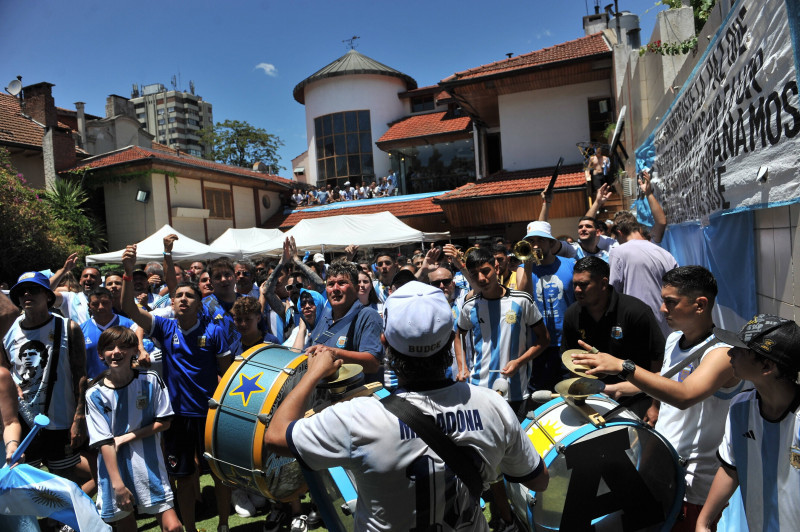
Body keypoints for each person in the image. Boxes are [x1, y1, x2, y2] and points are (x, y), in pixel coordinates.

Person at [264, 281, 549, 531]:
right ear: (451, 340)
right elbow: (538, 481)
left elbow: (276, 436)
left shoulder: (358, 417)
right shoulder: (493, 405)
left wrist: (312, 374)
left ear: (385, 342)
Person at [572, 266, 744, 532]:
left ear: (700, 305)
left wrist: (623, 366)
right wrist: (610, 388)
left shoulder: (722, 353)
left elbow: (685, 395)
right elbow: (665, 382)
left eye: (670, 302)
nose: (663, 309)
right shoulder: (675, 339)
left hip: (693, 484)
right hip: (661, 468)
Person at [120, 244, 233, 532]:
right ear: (172, 302)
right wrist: (127, 273)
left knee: (220, 475)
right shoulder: (166, 328)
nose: (183, 299)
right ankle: (191, 530)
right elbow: (130, 309)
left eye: (189, 295)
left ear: (199, 302)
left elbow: (227, 375)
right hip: (178, 416)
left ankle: (222, 524)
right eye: (178, 295)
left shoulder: (214, 332)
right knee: (185, 475)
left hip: (209, 415)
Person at [696, 315, 800, 532]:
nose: (729, 353)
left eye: (740, 349)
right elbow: (730, 468)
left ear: (766, 366)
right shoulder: (740, 407)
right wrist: (703, 522)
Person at [85, 326, 181, 532]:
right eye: (109, 348)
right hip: (114, 469)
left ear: (133, 351)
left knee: (173, 527)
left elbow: (164, 422)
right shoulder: (94, 394)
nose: (116, 352)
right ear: (101, 354)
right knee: (127, 526)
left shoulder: (151, 379)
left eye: (123, 347)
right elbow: (104, 443)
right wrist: (118, 486)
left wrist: (126, 437)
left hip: (149, 463)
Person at [1, 271, 88, 483]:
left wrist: (79, 419)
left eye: (34, 289)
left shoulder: (67, 327)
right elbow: (3, 367)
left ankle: (59, 517)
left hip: (60, 420)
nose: (27, 294)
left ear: (48, 296)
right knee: (25, 482)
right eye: (21, 292)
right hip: (22, 420)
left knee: (65, 479)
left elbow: (81, 375)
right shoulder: (9, 330)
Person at [561, 257, 664, 419]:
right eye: (575, 284)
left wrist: (655, 405)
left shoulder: (636, 312)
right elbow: (571, 362)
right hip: (594, 400)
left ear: (603, 283)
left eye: (584, 284)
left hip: (635, 399)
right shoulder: (572, 314)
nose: (577, 290)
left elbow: (657, 360)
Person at [515, 220, 576, 392]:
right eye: (531, 241)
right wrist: (527, 265)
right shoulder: (523, 268)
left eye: (540, 240)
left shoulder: (570, 264)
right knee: (540, 393)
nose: (535, 245)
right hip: (539, 342)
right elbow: (524, 297)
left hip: (566, 340)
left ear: (551, 242)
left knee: (569, 390)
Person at [306, 260, 383, 377]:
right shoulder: (324, 317)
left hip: (355, 393)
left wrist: (333, 353)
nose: (335, 288)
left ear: (357, 288)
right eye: (331, 284)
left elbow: (372, 364)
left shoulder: (367, 316)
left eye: (342, 283)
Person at [609, 210, 678, 338]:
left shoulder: (618, 252)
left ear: (619, 233)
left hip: (634, 322)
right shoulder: (665, 254)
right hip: (665, 323)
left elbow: (613, 291)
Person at [81, 287, 145, 380]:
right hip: (94, 385)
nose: (101, 307)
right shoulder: (81, 330)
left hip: (126, 382)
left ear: (112, 302)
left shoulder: (130, 326)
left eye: (105, 303)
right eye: (95, 304)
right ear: (89, 305)